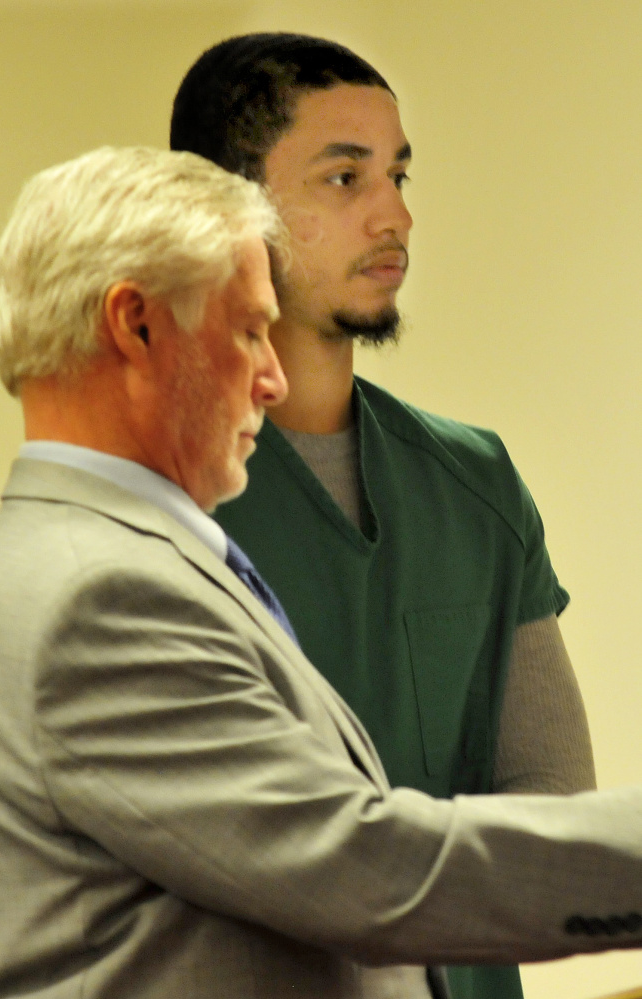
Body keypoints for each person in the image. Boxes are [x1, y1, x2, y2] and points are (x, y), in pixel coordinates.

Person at [0, 146, 642, 999]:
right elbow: (365, 871)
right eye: (246, 332)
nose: (272, 380)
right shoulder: (96, 595)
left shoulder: (119, 560)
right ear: (136, 324)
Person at [170, 34, 597, 999]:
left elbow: (556, 806)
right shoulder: (164, 506)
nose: (395, 213)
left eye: (398, 173)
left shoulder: (475, 486)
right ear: (223, 209)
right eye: (343, 176)